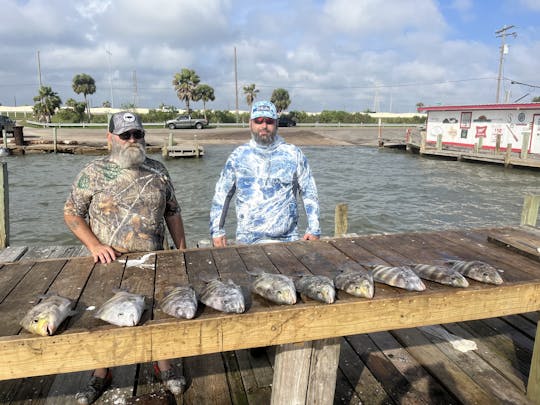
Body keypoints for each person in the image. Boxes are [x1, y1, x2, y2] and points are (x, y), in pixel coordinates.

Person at [64, 111, 187, 404]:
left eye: (137, 134)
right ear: (110, 138)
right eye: (125, 135)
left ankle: (164, 364)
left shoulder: (158, 171)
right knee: (104, 318)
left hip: (154, 257)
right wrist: (94, 245)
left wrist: (182, 251)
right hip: (108, 263)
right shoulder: (92, 172)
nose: (132, 140)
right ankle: (100, 372)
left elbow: (173, 212)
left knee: (158, 313)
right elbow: (71, 213)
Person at [210, 100, 321, 247]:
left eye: (269, 121)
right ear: (251, 123)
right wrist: (217, 231)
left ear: (276, 124)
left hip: (287, 239)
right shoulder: (238, 156)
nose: (264, 126)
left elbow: (309, 192)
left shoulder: (293, 154)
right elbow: (222, 195)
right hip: (246, 240)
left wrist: (314, 228)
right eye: (258, 121)